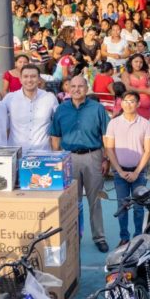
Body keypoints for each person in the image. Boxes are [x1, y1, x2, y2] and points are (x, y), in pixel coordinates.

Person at [50, 75, 112, 252]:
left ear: (86, 88)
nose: (76, 89)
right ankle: (74, 236)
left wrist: (106, 158)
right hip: (69, 158)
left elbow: (106, 135)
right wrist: (57, 159)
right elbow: (55, 136)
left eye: (80, 86)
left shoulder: (97, 108)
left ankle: (99, 237)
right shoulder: (61, 109)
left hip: (93, 156)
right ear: (68, 88)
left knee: (95, 199)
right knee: (72, 201)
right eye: (73, 86)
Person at [104, 91, 150, 246]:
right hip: (120, 172)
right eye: (125, 101)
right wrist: (119, 171)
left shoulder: (145, 124)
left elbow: (148, 150)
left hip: (139, 172)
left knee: (139, 207)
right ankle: (124, 238)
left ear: (138, 104)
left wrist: (137, 172)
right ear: (121, 103)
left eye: (132, 101)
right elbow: (109, 149)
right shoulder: (113, 123)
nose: (128, 104)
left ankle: (138, 237)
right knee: (123, 206)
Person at [3, 64, 58, 152]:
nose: (29, 80)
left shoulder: (49, 98)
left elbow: (58, 124)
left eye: (33, 76)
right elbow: (1, 123)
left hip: (42, 153)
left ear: (39, 79)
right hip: (16, 154)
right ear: (20, 79)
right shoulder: (10, 98)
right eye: (25, 76)